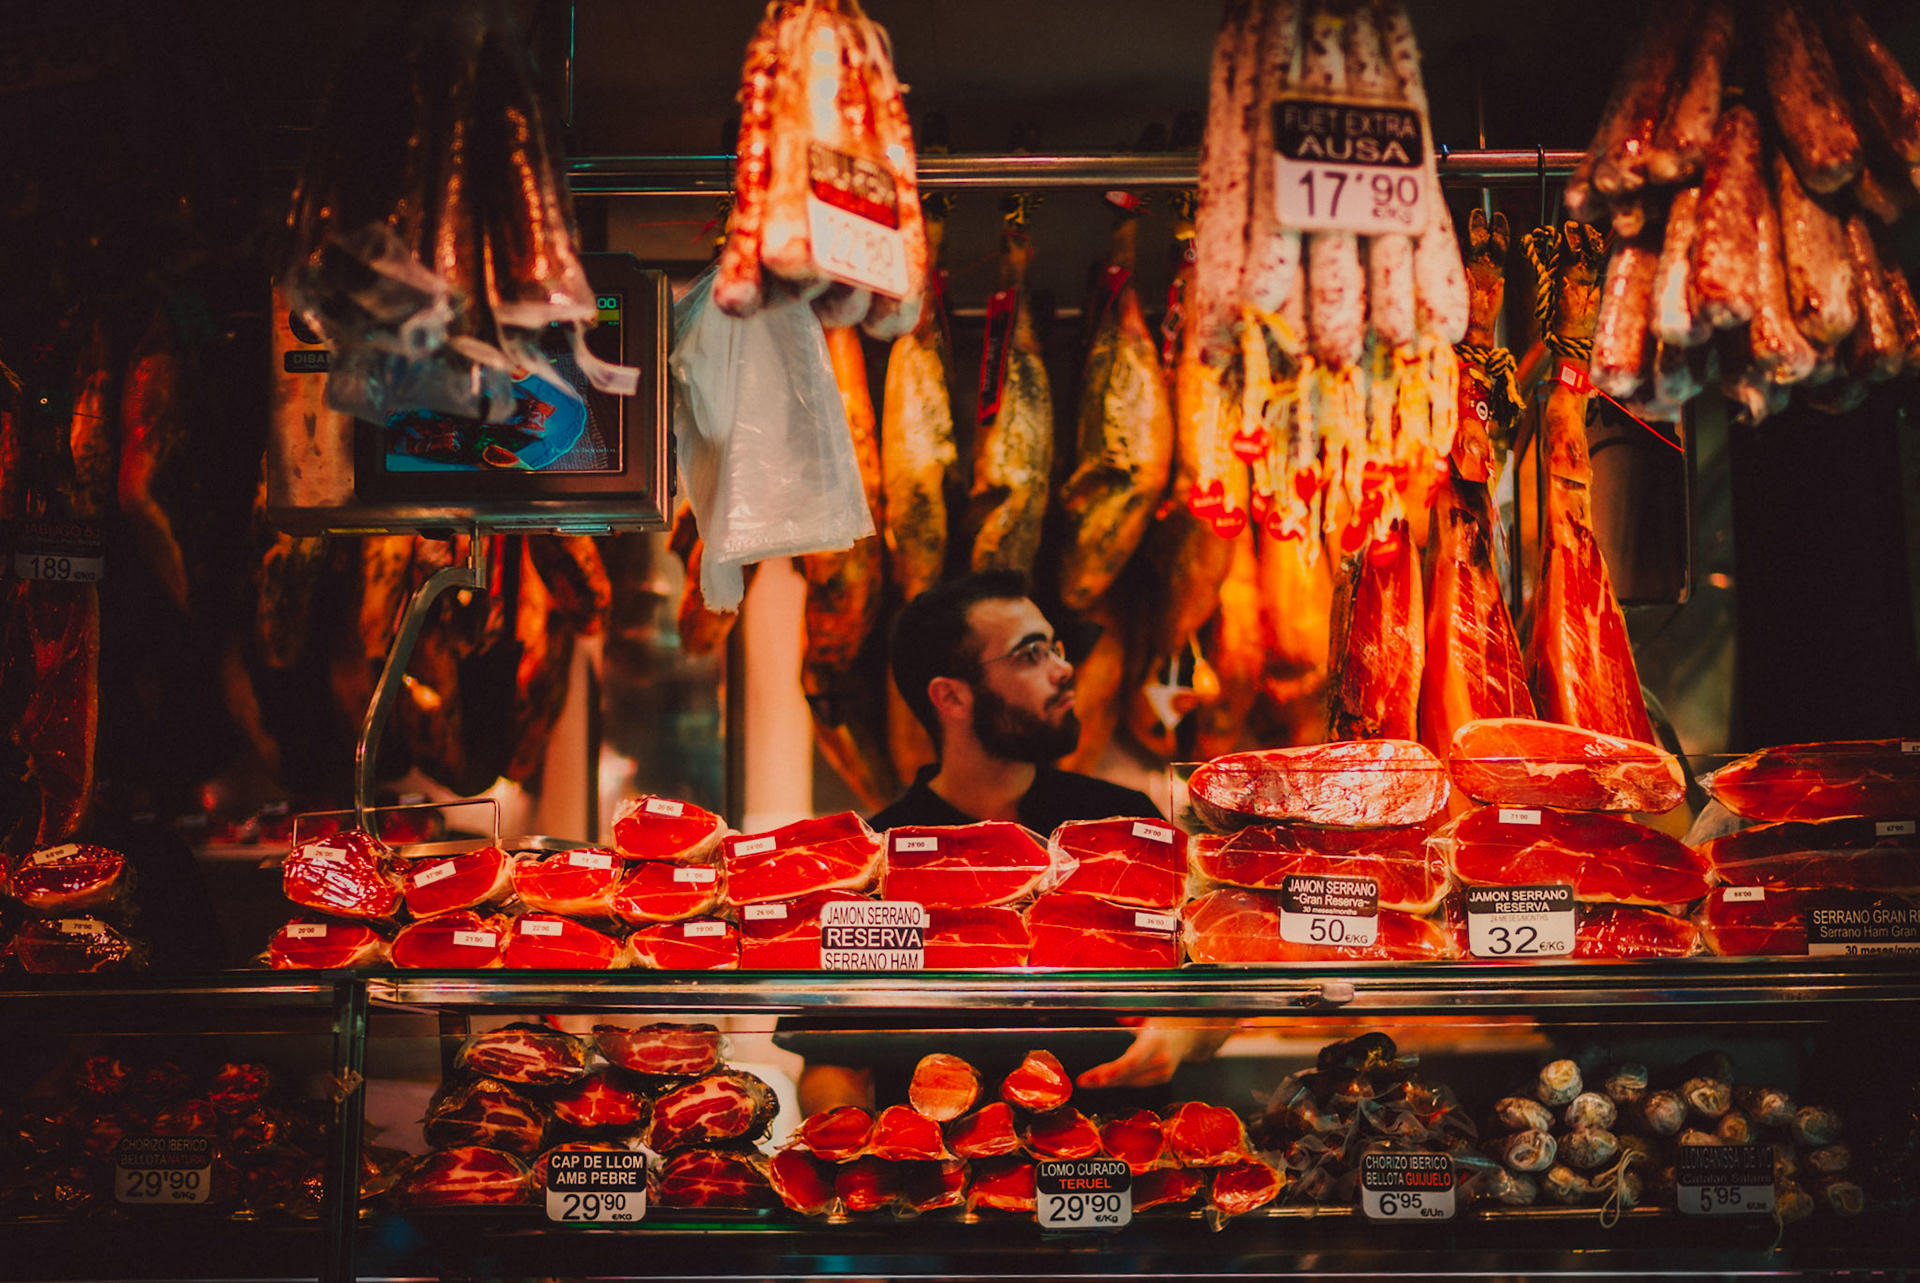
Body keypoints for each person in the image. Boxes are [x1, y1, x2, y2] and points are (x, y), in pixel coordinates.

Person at [783, 571, 1231, 1114]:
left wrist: (1178, 1037)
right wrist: (859, 1151)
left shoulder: (1122, 824)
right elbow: (828, 1061)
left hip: (1111, 1170)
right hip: (945, 1179)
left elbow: (1221, 978)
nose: (1065, 670)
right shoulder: (876, 858)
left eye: (1056, 649)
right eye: (1031, 654)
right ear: (952, 697)